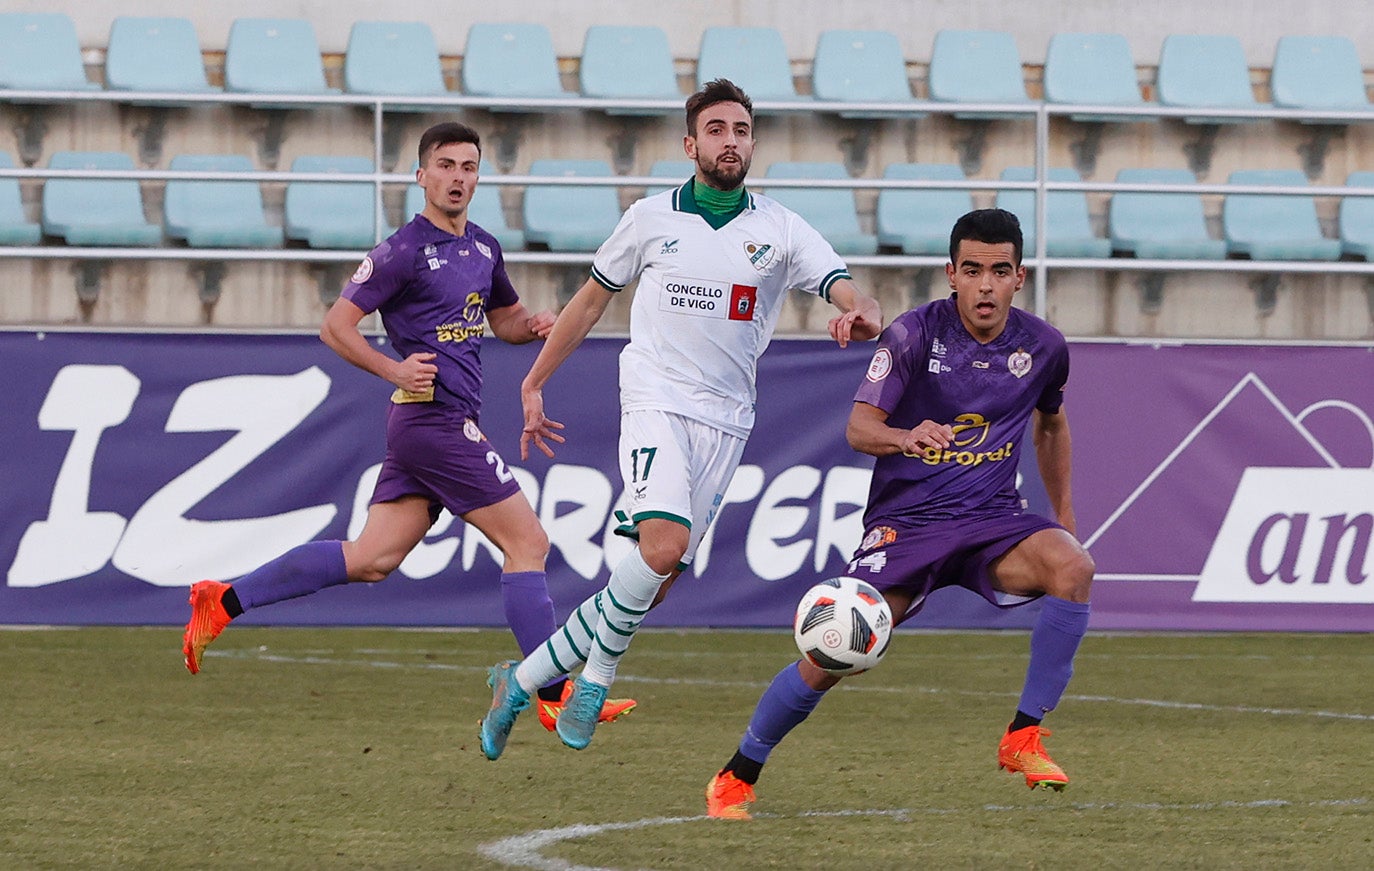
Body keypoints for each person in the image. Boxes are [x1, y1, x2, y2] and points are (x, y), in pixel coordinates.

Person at [477, 78, 884, 762]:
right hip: (655, 398)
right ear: (691, 144)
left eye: (743, 131)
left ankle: (517, 681)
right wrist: (535, 378)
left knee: (651, 583)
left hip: (726, 422)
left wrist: (862, 310)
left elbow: (847, 287)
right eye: (718, 130)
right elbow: (585, 305)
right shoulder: (649, 218)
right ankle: (596, 680)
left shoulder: (779, 228)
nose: (732, 141)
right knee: (661, 547)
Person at [181, 121, 635, 732]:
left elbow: (502, 319)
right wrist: (393, 366)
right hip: (434, 423)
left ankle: (222, 600)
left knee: (371, 559)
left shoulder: (483, 249)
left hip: (432, 426)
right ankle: (554, 696)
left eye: (468, 167)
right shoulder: (401, 251)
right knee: (528, 544)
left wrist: (531, 325)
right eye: (445, 166)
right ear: (421, 176)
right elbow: (335, 327)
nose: (457, 177)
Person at [705, 208, 1097, 819]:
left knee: (1073, 568)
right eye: (972, 270)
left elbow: (1052, 424)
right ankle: (738, 772)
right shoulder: (915, 335)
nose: (985, 285)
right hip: (909, 524)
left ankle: (1023, 738)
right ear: (951, 274)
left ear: (1020, 277)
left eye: (999, 271)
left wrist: (1065, 516)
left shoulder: (1044, 347)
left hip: (993, 518)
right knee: (837, 650)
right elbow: (861, 428)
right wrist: (909, 436)